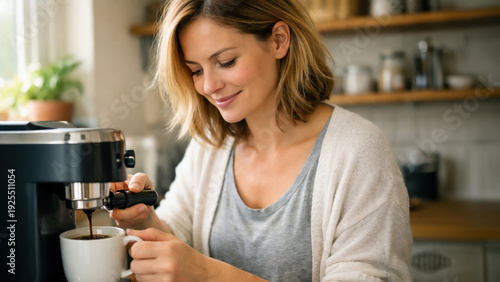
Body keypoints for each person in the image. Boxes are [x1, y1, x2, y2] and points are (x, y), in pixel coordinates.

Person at [110, 0, 412, 281]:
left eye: (226, 61)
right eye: (196, 71)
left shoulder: (358, 150)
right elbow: (177, 234)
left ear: (279, 40)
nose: (209, 86)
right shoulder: (211, 146)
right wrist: (143, 219)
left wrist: (208, 274)